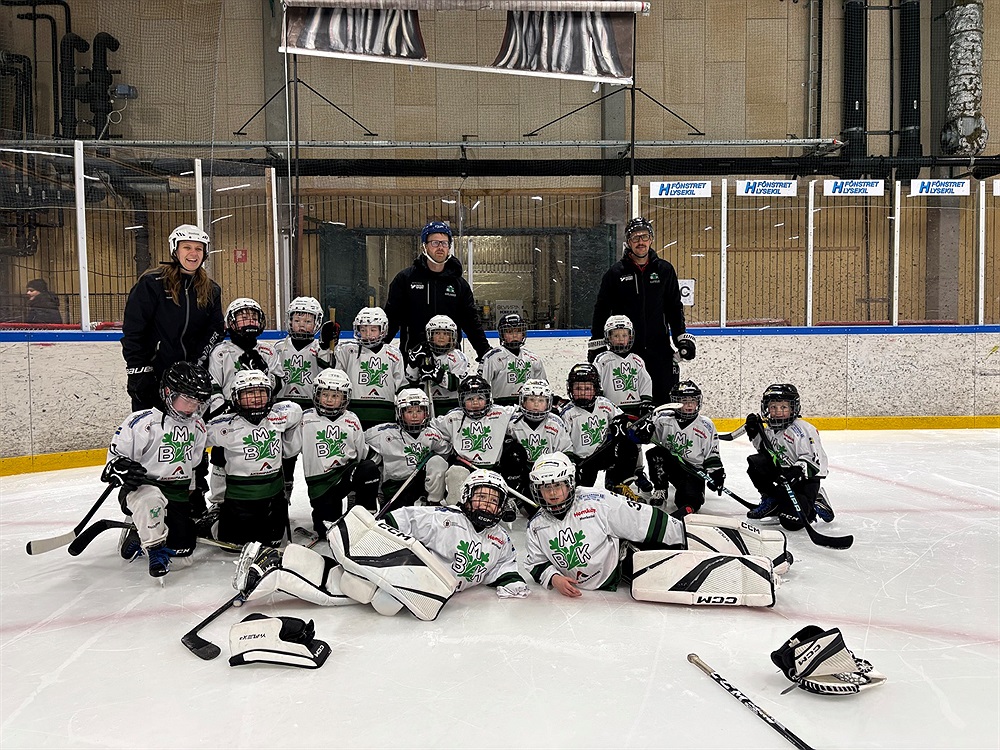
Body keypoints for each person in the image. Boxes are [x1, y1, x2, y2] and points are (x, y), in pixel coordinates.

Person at [230, 470, 529, 622]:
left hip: (429, 591)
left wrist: (512, 581)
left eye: (493, 500)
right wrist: (380, 540)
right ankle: (275, 570)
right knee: (364, 593)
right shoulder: (445, 518)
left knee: (362, 590)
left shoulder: (500, 538)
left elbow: (504, 566)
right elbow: (403, 518)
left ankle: (280, 561)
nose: (486, 504)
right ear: (466, 497)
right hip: (409, 574)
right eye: (480, 496)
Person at [522, 452, 785, 604]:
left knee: (684, 554)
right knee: (676, 573)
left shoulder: (596, 502)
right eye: (546, 488)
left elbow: (643, 521)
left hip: (624, 559)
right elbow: (537, 563)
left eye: (558, 485)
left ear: (570, 483)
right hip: (618, 578)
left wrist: (683, 535)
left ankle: (758, 554)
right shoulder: (537, 527)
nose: (553, 494)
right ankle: (748, 573)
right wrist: (554, 578)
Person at [104, 362, 212, 577]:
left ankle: (138, 532)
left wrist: (191, 494)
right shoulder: (142, 422)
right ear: (168, 393)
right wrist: (122, 468)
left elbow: (192, 465)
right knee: (150, 499)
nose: (192, 408)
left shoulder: (198, 427)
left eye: (197, 402)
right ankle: (152, 545)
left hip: (176, 493)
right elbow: (114, 461)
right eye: (187, 400)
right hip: (143, 489)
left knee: (182, 557)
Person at [589, 217, 694, 404]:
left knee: (664, 403)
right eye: (635, 238)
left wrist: (681, 339)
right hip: (626, 352)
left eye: (644, 237)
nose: (640, 242)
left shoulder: (665, 270)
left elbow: (674, 308)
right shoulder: (615, 274)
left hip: (659, 350)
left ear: (651, 239)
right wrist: (597, 343)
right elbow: (602, 310)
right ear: (628, 242)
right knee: (630, 404)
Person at [121, 224, 223, 412]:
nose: (193, 253)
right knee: (150, 427)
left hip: (191, 378)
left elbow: (215, 330)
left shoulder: (211, 290)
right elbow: (134, 331)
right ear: (175, 250)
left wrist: (197, 363)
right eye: (187, 247)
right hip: (154, 375)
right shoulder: (152, 284)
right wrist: (139, 370)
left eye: (198, 248)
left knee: (189, 428)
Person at [205, 369, 302, 546]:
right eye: (249, 393)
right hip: (239, 503)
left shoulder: (280, 416)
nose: (256, 398)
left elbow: (297, 412)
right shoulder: (224, 425)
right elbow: (193, 438)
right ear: (236, 398)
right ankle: (215, 518)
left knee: (272, 543)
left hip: (273, 501)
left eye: (261, 392)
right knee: (233, 546)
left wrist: (288, 447)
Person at [289, 368, 380, 539]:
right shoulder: (305, 419)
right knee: (327, 532)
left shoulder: (351, 419)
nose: (330, 400)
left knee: (369, 469)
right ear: (317, 394)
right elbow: (290, 450)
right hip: (320, 484)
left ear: (345, 397)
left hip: (344, 474)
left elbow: (362, 453)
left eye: (336, 396)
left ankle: (364, 518)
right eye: (325, 395)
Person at [383, 221, 491, 363]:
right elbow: (391, 318)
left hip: (451, 361)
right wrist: (379, 349)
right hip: (412, 359)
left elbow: (471, 323)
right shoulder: (405, 279)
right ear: (424, 246)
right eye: (435, 243)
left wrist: (485, 352)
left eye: (444, 243)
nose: (440, 247)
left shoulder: (459, 285)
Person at [744, 383, 834, 530]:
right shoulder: (771, 428)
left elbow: (813, 461)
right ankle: (771, 499)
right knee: (756, 463)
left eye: (783, 407)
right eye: (773, 407)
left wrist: (796, 472)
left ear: (793, 408)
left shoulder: (803, 430)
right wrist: (754, 432)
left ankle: (815, 501)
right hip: (783, 474)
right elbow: (766, 452)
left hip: (806, 479)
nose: (778, 412)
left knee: (791, 523)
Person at [630, 381, 725, 517]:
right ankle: (661, 489)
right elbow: (646, 438)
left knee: (691, 501)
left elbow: (712, 453)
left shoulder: (706, 425)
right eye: (684, 401)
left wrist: (716, 473)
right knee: (655, 453)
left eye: (693, 401)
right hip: (670, 464)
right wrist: (645, 431)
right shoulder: (663, 418)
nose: (689, 405)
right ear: (675, 402)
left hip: (692, 471)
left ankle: (684, 510)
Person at [558, 363, 638, 492]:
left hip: (601, 453)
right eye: (578, 388)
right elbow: (562, 443)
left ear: (595, 389)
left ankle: (618, 484)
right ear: (570, 389)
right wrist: (571, 463)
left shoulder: (604, 404)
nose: (583, 393)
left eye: (587, 388)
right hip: (581, 462)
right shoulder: (567, 414)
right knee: (581, 492)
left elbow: (621, 417)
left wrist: (620, 423)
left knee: (628, 447)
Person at [365, 388, 450, 508]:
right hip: (394, 487)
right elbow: (359, 441)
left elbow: (445, 452)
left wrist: (431, 463)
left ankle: (433, 503)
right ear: (400, 413)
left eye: (419, 411)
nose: (415, 416)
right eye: (409, 411)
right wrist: (375, 458)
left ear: (426, 412)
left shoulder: (432, 435)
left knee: (438, 462)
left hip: (421, 484)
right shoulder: (384, 433)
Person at [334, 306, 406, 429]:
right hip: (354, 416)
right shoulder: (347, 351)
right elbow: (336, 380)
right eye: (363, 330)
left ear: (383, 330)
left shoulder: (393, 354)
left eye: (373, 330)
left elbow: (401, 386)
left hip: (385, 416)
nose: (368, 334)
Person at [404, 314, 472, 415]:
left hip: (452, 407)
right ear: (430, 335)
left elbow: (459, 384)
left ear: (452, 336)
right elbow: (411, 381)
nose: (441, 337)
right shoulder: (423, 354)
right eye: (437, 333)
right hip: (426, 407)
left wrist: (438, 374)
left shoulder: (458, 357)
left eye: (446, 333)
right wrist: (413, 365)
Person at [478, 313, 547, 406]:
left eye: (518, 331)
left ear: (523, 334)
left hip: (528, 407)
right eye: (509, 332)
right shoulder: (491, 358)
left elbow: (542, 386)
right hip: (501, 407)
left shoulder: (533, 359)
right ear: (502, 335)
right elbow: (481, 386)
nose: (514, 335)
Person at [592, 314, 653, 418]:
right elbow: (596, 382)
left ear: (630, 337)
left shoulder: (637, 360)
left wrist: (646, 401)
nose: (620, 339)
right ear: (609, 337)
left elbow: (645, 381)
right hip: (611, 410)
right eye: (616, 336)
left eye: (624, 336)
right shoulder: (602, 360)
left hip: (636, 409)